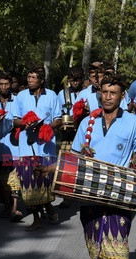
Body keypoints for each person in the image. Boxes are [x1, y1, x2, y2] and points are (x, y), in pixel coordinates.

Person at [38, 74, 136, 259]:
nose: (107, 97)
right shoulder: (88, 122)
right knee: (94, 239)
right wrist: (49, 168)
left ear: (122, 96)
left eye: (113, 92)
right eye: (104, 92)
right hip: (89, 192)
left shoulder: (134, 122)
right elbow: (74, 158)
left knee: (118, 239)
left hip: (120, 191)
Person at [13, 64, 62, 231]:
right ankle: (36, 218)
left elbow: (58, 119)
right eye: (28, 77)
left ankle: (48, 207)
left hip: (46, 147)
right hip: (26, 147)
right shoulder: (20, 96)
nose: (30, 81)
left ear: (41, 80)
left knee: (45, 182)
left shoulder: (52, 96)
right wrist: (26, 122)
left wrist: (48, 126)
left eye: (33, 78)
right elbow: (15, 120)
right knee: (28, 184)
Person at [0, 72, 23, 221]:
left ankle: (15, 208)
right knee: (0, 181)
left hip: (14, 147)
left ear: (11, 84)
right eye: (1, 84)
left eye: (6, 84)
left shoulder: (17, 101)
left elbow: (22, 119)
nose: (3, 87)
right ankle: (7, 205)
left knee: (14, 177)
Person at [56, 66, 85, 209]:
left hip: (85, 133)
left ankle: (84, 194)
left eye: (78, 79)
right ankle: (66, 196)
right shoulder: (62, 94)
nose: (75, 82)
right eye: (72, 80)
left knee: (85, 165)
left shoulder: (87, 93)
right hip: (68, 134)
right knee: (67, 165)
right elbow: (58, 112)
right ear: (68, 80)